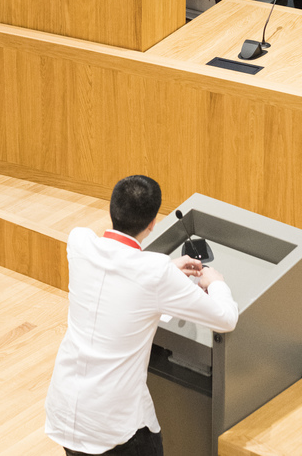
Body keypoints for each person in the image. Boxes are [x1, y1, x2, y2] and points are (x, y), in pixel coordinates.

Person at [45, 175, 238, 455]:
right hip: (112, 430)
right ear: (152, 224)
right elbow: (225, 318)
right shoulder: (155, 273)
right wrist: (216, 282)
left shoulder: (79, 243)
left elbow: (117, 275)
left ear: (113, 209)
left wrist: (167, 271)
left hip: (65, 412)